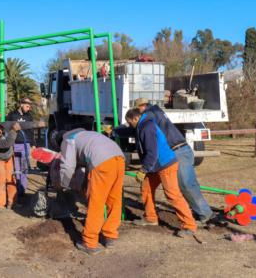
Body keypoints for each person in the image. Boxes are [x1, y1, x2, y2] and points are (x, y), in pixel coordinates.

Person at [133, 98, 214, 224]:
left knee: (185, 185)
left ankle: (204, 214)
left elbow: (142, 129)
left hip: (177, 151)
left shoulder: (149, 115)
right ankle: (151, 217)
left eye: (137, 110)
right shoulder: (155, 112)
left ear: (142, 107)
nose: (137, 114)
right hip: (173, 152)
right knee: (149, 186)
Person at [125, 108, 197, 238]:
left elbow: (152, 153)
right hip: (155, 165)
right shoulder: (142, 124)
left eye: (130, 123)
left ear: (136, 118)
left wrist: (143, 169)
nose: (130, 126)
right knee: (146, 188)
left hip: (165, 164)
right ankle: (150, 217)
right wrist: (115, 131)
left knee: (172, 195)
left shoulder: (147, 127)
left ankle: (189, 225)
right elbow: (131, 131)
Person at [58, 128, 125, 254]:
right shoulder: (87, 135)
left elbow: (68, 166)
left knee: (96, 203)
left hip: (102, 163)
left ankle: (89, 243)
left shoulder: (68, 140)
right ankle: (110, 235)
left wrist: (64, 185)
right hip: (119, 159)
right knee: (114, 200)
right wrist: (84, 183)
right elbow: (90, 160)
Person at [0, 120, 44, 213]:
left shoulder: (4, 125)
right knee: (1, 180)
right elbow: (7, 143)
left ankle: (12, 202)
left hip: (8, 156)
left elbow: (21, 124)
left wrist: (36, 124)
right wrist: (13, 131)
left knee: (11, 179)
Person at [6, 98, 38, 198]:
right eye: (27, 106)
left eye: (29, 107)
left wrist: (33, 143)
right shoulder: (12, 115)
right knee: (17, 168)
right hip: (15, 145)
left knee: (24, 168)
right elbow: (7, 128)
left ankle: (22, 190)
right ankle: (17, 189)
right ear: (21, 104)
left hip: (26, 145)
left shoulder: (29, 116)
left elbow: (32, 130)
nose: (29, 109)